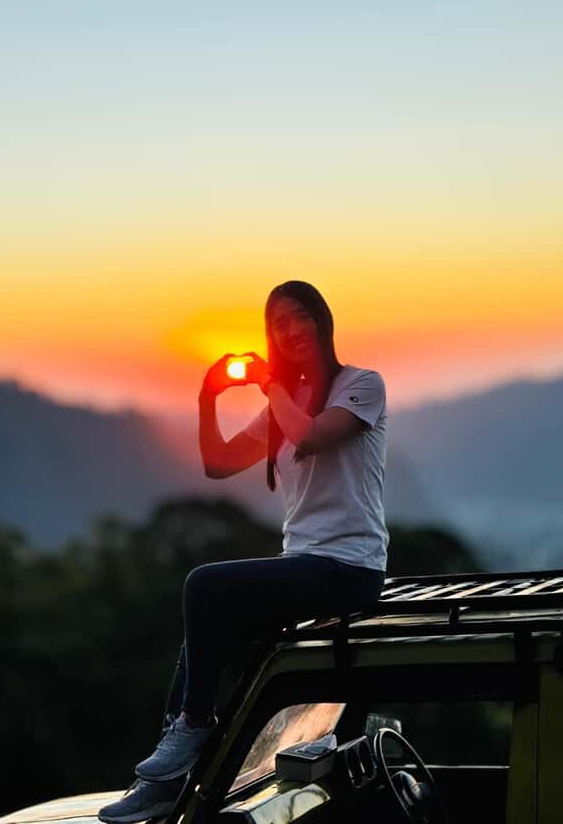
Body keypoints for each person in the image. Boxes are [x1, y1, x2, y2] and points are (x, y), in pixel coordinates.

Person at [98, 280, 388, 823]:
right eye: (280, 323)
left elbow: (312, 436)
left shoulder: (361, 385)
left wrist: (271, 385)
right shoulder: (283, 403)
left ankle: (191, 729)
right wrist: (208, 398)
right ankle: (168, 775)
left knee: (204, 585)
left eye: (301, 316)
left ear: (322, 321)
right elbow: (219, 462)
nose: (293, 329)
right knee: (206, 628)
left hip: (349, 569)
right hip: (305, 567)